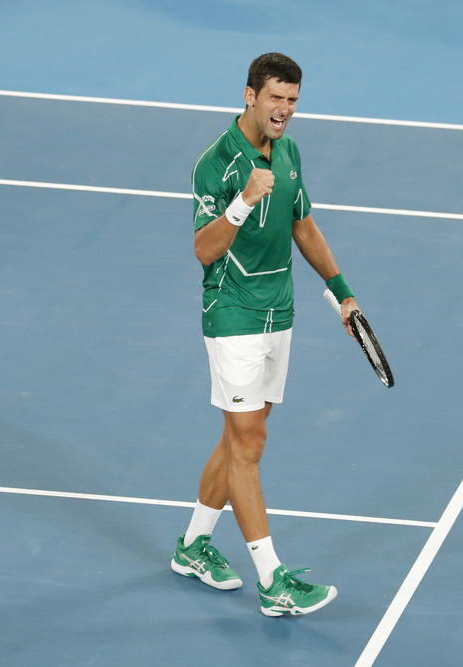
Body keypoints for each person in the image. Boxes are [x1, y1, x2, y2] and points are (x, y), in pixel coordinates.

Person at [170, 52, 358, 617]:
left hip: (280, 311)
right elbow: (203, 250)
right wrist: (243, 202)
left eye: (293, 100)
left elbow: (303, 224)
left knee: (239, 439)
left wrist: (341, 291)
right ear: (250, 95)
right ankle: (273, 581)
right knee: (249, 444)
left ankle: (193, 546)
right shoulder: (216, 163)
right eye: (276, 97)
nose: (285, 109)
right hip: (233, 313)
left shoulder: (290, 152)